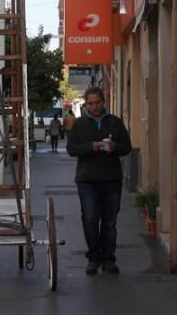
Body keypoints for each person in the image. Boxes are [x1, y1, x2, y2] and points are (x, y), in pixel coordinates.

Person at [67, 86, 131, 276]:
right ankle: (94, 258)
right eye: (91, 103)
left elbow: (127, 147)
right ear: (86, 104)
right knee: (90, 219)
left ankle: (108, 259)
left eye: (98, 103)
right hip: (87, 180)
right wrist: (90, 147)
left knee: (110, 222)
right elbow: (71, 149)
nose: (94, 107)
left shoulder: (115, 122)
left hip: (112, 179)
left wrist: (114, 147)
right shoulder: (79, 125)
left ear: (104, 102)